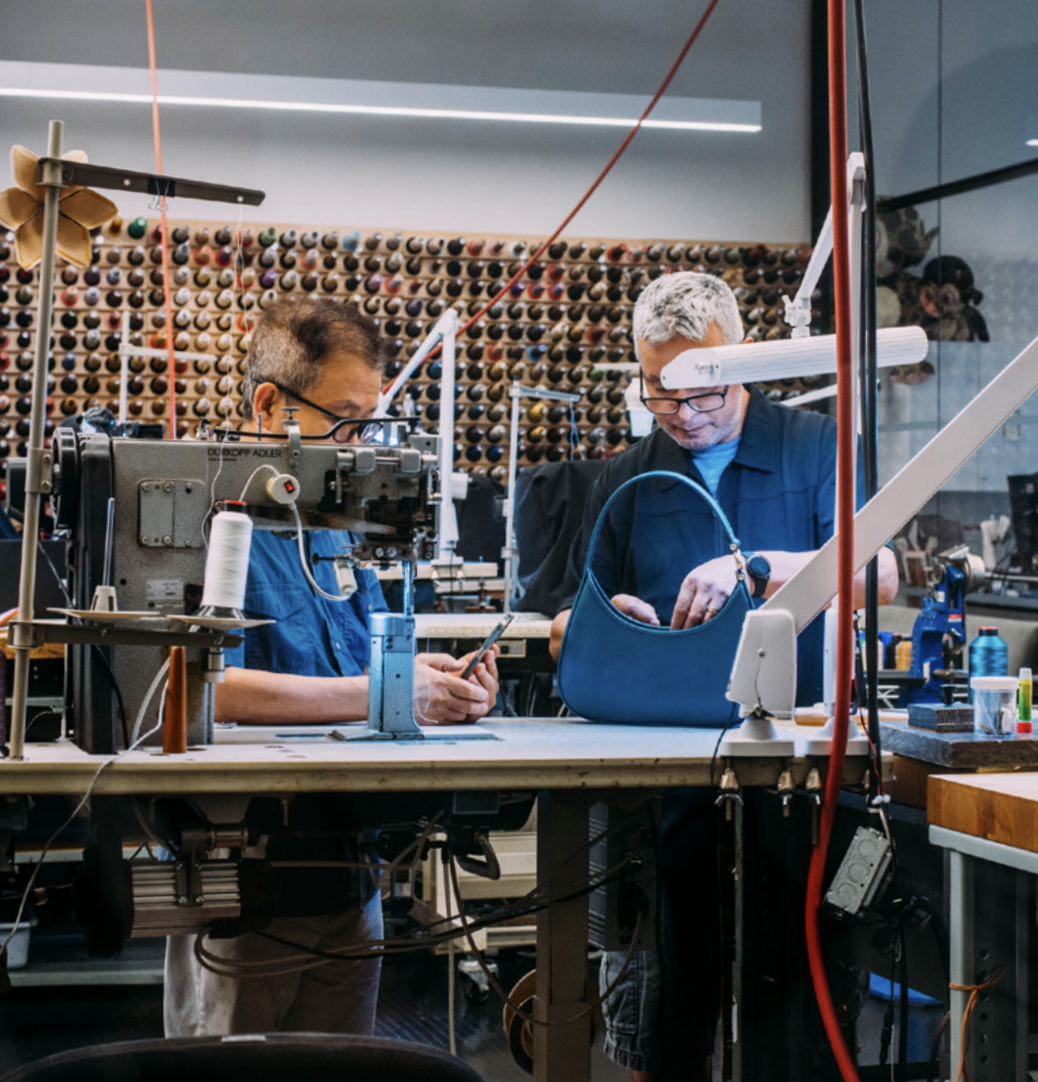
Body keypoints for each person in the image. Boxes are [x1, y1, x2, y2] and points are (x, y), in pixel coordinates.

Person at [548, 272, 898, 1081]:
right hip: (673, 775)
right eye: (660, 394)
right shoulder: (630, 473)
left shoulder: (816, 448)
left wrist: (761, 565)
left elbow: (877, 576)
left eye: (701, 393)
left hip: (802, 770)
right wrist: (613, 620)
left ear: (741, 364)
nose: (683, 414)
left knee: (800, 991)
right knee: (677, 991)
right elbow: (567, 618)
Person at [165, 298, 499, 1037]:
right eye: (346, 420)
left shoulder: (332, 525)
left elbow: (355, 665)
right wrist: (384, 690)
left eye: (369, 422)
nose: (362, 443)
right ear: (269, 403)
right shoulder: (197, 518)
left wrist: (433, 680)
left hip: (352, 875)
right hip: (247, 881)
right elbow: (198, 692)